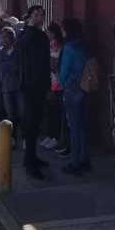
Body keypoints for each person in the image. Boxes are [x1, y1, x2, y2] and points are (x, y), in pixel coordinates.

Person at [17, 4, 51, 179]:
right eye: (36, 14)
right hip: (34, 87)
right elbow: (40, 64)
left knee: (32, 125)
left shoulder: (23, 34)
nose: (40, 18)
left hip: (27, 85)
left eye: (41, 15)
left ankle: (31, 158)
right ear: (29, 16)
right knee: (32, 125)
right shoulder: (36, 36)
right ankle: (30, 163)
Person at [58, 17, 90, 174]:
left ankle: (75, 161)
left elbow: (63, 72)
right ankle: (84, 158)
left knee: (74, 127)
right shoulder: (84, 45)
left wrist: (62, 83)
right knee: (83, 125)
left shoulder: (69, 48)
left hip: (71, 88)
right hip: (84, 86)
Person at [42, 22, 68, 152]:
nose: (47, 33)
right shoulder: (51, 45)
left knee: (57, 113)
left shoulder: (60, 46)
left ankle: (56, 137)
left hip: (58, 83)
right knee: (51, 111)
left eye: (48, 31)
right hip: (51, 81)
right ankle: (50, 135)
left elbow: (55, 63)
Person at [0, 26, 21, 146]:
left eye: (6, 37)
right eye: (3, 37)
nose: (4, 39)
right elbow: (1, 67)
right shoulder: (1, 51)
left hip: (18, 86)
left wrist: (9, 65)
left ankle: (23, 138)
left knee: (20, 113)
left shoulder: (18, 50)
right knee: (10, 114)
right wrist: (9, 65)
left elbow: (17, 66)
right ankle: (12, 138)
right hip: (6, 87)